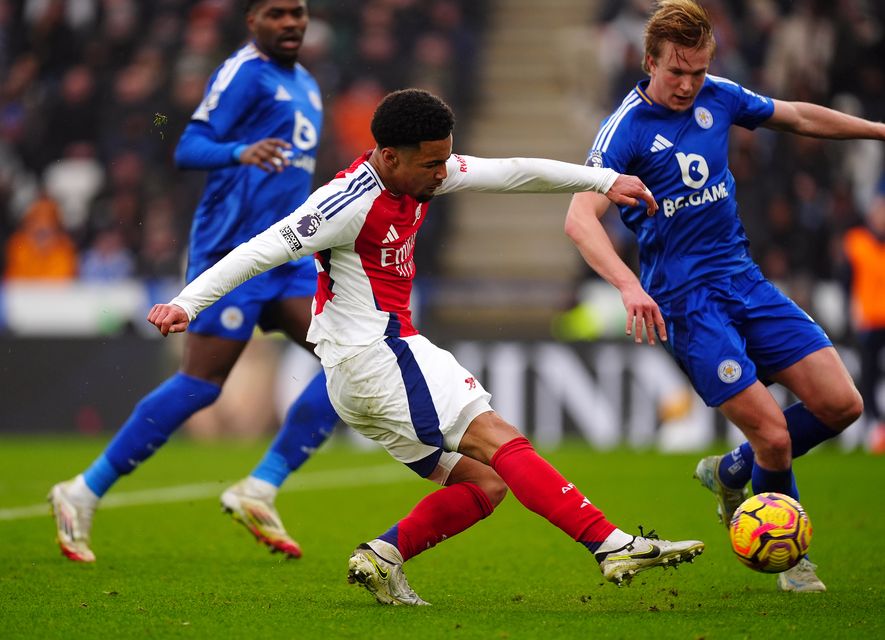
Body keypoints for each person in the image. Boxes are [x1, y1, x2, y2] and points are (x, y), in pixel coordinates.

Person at [148, 88, 705, 606]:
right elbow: (261, 250)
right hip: (377, 354)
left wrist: (604, 180)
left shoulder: (424, 173)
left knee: (485, 483)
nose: (444, 174)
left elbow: (513, 172)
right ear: (388, 156)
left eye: (446, 160)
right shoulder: (342, 204)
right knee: (500, 440)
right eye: (431, 164)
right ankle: (610, 544)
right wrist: (188, 304)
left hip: (361, 371)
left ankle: (382, 556)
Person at [565, 0, 882, 593]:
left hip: (744, 281)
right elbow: (580, 218)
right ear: (649, 61)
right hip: (687, 304)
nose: (688, 85)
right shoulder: (625, 130)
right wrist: (630, 286)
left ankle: (733, 470)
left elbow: (798, 117)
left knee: (843, 405)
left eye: (698, 72)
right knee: (775, 435)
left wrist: (878, 130)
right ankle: (791, 560)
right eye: (676, 71)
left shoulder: (719, 94)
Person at [48, 0, 338, 563]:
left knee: (354, 355)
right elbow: (187, 146)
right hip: (232, 253)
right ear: (252, 20)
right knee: (202, 384)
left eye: (298, 12)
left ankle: (262, 487)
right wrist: (239, 151)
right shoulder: (242, 72)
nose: (291, 23)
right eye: (276, 13)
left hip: (288, 255)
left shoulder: (306, 82)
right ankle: (81, 491)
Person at [843, 186, 885, 454]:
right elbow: (845, 281)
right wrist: (851, 310)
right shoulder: (856, 241)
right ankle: (874, 426)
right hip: (869, 320)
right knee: (867, 376)